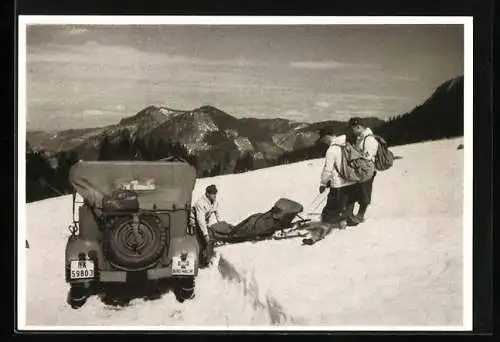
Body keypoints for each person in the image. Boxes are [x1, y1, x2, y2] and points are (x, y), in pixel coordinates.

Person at [317, 127, 359, 229]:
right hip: (352, 183)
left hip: (338, 185)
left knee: (329, 211)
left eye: (322, 139)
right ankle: (344, 221)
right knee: (347, 206)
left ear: (327, 137)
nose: (323, 142)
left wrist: (323, 183)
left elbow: (328, 170)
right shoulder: (347, 144)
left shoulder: (331, 150)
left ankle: (321, 231)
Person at [346, 117, 379, 225]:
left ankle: (360, 216)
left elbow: (368, 156)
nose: (352, 131)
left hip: (367, 170)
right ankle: (349, 215)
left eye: (353, 128)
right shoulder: (361, 138)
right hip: (360, 169)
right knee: (356, 191)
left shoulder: (369, 139)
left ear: (358, 127)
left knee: (365, 192)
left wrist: (356, 158)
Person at [189, 184, 221, 265]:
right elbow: (200, 220)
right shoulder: (200, 203)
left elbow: (217, 213)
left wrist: (220, 224)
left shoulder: (215, 202)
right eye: (212, 193)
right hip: (195, 222)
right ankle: (199, 262)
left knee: (207, 241)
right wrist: (205, 234)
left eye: (215, 193)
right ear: (207, 194)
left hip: (204, 222)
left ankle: (206, 259)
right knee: (198, 242)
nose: (214, 195)